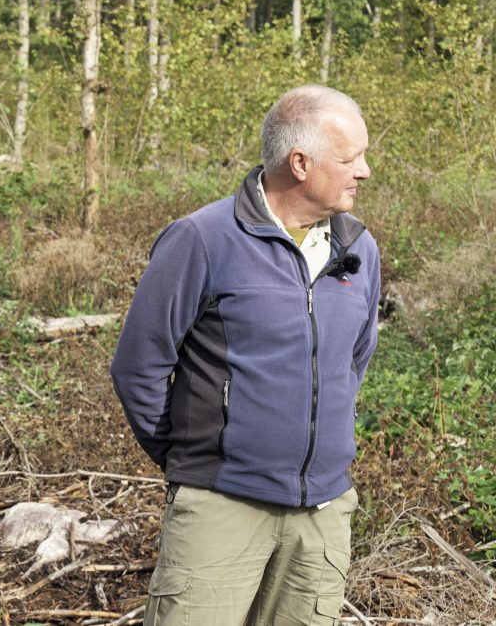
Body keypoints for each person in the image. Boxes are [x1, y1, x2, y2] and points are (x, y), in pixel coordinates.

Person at [110, 84, 380, 625]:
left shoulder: (359, 249)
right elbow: (138, 366)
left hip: (323, 516)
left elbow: (354, 361)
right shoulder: (202, 239)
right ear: (300, 162)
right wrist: (194, 461)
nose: (365, 171)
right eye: (351, 158)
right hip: (220, 510)